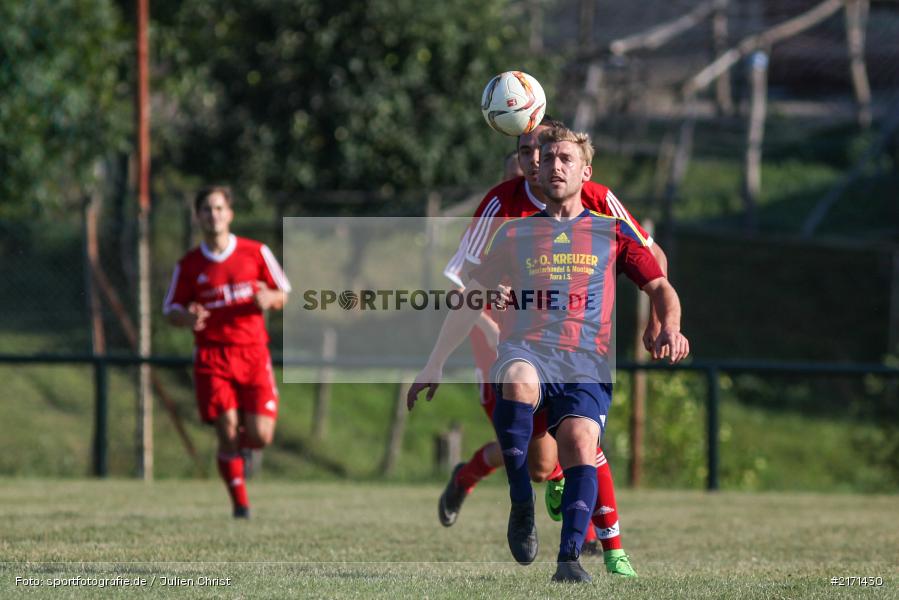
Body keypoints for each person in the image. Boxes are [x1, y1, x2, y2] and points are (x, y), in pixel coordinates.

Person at [409, 126, 689, 582]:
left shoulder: (610, 229)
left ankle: (570, 560)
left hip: (585, 363)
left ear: (586, 173)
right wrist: (435, 360)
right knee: (517, 380)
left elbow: (659, 282)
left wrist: (668, 325)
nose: (554, 166)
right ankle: (521, 504)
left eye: (565, 159)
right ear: (532, 166)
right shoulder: (514, 231)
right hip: (526, 350)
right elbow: (469, 294)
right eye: (546, 158)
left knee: (577, 446)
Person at [163, 186, 291, 518]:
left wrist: (270, 299)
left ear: (230, 214)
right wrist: (187, 317)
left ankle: (240, 456)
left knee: (261, 435)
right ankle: (241, 504)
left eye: (219, 208)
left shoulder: (256, 251)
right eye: (206, 209)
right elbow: (171, 310)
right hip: (212, 356)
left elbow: (283, 292)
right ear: (198, 216)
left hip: (252, 353)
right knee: (227, 430)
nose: (213, 214)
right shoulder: (190, 264)